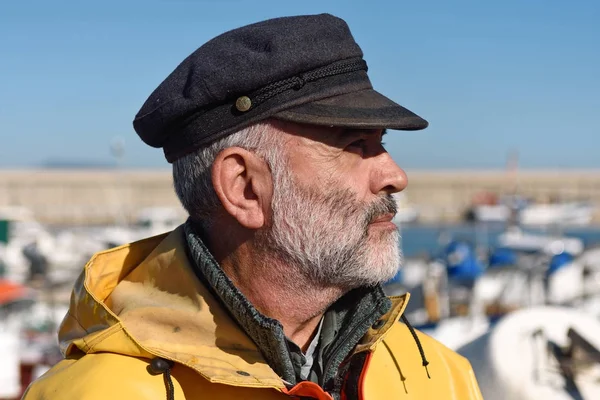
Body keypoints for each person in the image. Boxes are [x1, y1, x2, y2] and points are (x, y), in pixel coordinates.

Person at [23, 14, 483, 400]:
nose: (395, 175)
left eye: (381, 144)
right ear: (244, 187)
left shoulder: (436, 376)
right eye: (354, 145)